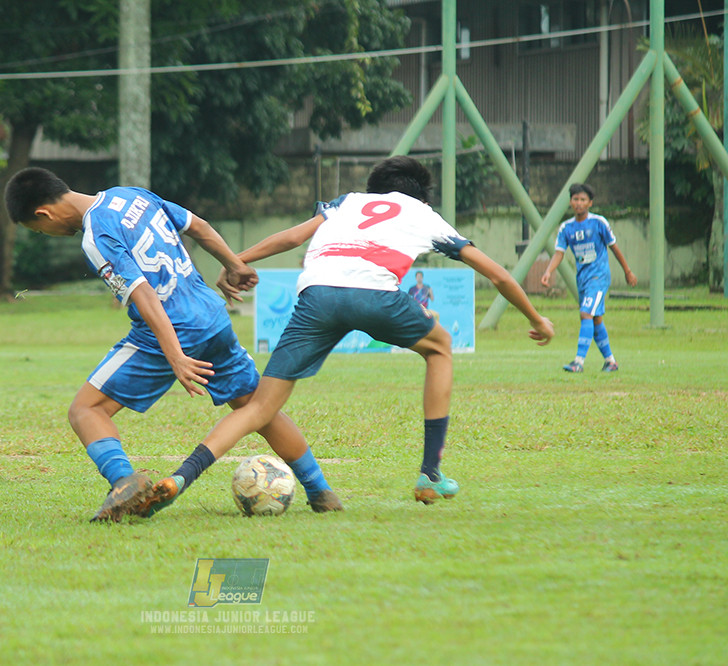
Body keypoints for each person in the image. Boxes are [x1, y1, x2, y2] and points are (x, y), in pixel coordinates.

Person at [104, 155, 554, 517]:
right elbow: (496, 274)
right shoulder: (425, 214)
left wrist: (236, 261)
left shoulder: (348, 202)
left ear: (376, 188)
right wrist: (536, 317)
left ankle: (181, 477)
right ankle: (430, 474)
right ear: (419, 194)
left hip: (316, 295)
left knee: (261, 405)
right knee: (440, 347)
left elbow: (290, 238)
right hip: (376, 294)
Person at [2, 167, 342, 522]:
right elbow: (199, 227)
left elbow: (145, 296)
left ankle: (123, 482)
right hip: (211, 316)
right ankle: (320, 490)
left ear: (44, 213)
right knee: (256, 405)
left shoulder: (95, 235)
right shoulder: (131, 196)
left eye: (40, 230)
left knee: (86, 410)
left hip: (170, 330)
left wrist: (176, 356)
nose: (49, 234)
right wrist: (234, 265)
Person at [540, 183, 636, 373]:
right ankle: (610, 361)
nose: (579, 203)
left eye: (583, 199)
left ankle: (578, 362)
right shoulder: (566, 228)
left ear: (590, 203)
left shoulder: (599, 223)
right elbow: (559, 252)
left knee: (586, 314)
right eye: (575, 199)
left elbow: (614, 247)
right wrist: (548, 271)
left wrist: (627, 271)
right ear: (570, 202)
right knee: (595, 318)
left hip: (598, 277)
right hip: (582, 279)